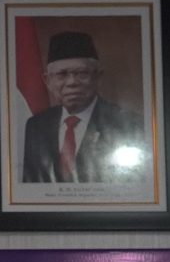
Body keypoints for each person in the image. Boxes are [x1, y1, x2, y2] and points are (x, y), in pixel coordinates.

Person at [18, 31, 147, 184]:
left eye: (81, 73)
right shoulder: (35, 126)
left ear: (98, 77)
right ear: (47, 80)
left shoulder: (129, 125)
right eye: (62, 74)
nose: (72, 82)